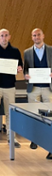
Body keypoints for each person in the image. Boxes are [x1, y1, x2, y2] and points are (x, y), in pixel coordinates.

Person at [0, 29, 23, 148]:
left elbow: (20, 66)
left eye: (6, 35)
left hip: (10, 86)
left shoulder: (15, 51)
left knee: (10, 114)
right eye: (2, 36)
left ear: (9, 37)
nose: (4, 38)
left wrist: (19, 69)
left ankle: (11, 138)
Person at [23, 28, 52, 160]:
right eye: (34, 35)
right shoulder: (27, 52)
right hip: (33, 88)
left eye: (38, 35)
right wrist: (26, 76)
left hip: (48, 88)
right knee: (33, 115)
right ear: (32, 37)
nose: (36, 37)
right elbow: (25, 70)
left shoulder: (51, 50)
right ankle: (34, 139)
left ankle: (50, 146)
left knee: (50, 118)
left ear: (43, 36)